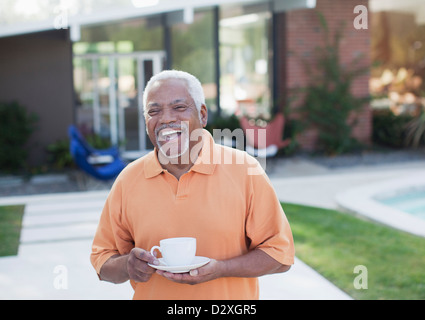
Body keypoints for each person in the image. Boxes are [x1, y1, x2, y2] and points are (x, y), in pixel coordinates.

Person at [90, 70, 295, 300]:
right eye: (154, 111)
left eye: (179, 107)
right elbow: (102, 262)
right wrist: (128, 265)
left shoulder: (245, 170)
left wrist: (222, 269)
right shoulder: (128, 180)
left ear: (203, 114)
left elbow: (280, 255)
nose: (166, 118)